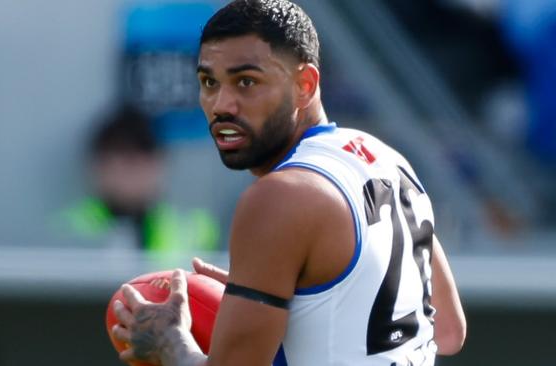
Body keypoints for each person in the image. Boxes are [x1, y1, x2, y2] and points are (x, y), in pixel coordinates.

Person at [111, 1, 466, 365]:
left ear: (305, 84)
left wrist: (169, 344)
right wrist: (300, 301)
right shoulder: (387, 159)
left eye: (246, 82)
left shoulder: (278, 198)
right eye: (209, 82)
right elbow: (449, 331)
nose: (221, 104)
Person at [58, 105, 220, 257]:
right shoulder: (68, 229)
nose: (137, 170)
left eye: (147, 155)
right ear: (98, 165)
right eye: (126, 158)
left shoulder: (196, 228)